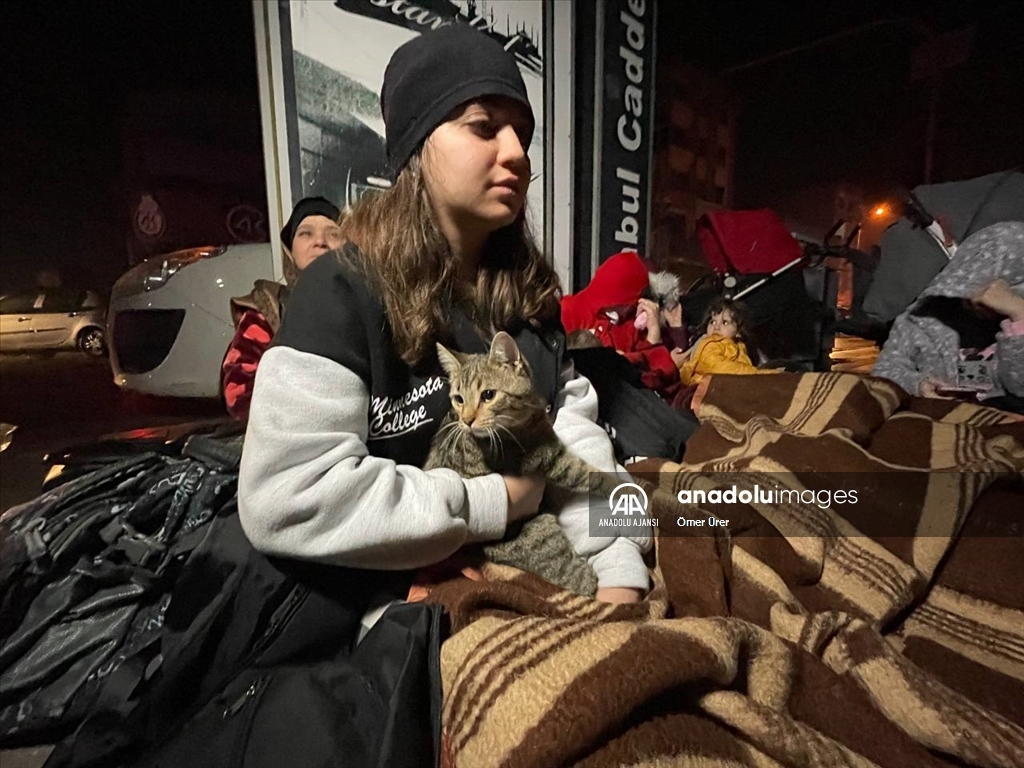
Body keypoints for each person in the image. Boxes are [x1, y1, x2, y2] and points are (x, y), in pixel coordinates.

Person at [237, 25, 650, 607]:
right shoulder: (338, 293)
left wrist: (621, 572)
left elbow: (578, 454)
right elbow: (286, 495)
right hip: (381, 611)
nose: (516, 154)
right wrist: (493, 501)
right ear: (417, 144)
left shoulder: (531, 305)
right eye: (484, 126)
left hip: (531, 571)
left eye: (522, 133)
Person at [872, 221, 1024, 409]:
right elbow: (885, 371)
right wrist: (918, 384)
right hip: (931, 420)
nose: (982, 299)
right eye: (973, 287)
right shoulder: (921, 320)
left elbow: (1018, 386)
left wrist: (1019, 316)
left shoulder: (1015, 320)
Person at [221, 197, 341, 420]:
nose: (320, 241)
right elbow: (238, 394)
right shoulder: (268, 311)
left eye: (333, 233)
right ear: (289, 248)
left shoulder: (364, 306)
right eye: (306, 233)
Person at [561, 250, 685, 399]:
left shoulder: (631, 325)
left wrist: (654, 338)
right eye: (637, 296)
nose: (636, 304)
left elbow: (663, 379)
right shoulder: (567, 312)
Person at [676, 297, 778, 387]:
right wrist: (759, 374)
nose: (716, 327)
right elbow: (717, 367)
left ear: (738, 332)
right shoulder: (708, 343)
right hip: (706, 390)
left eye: (725, 322)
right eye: (712, 321)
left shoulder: (740, 347)